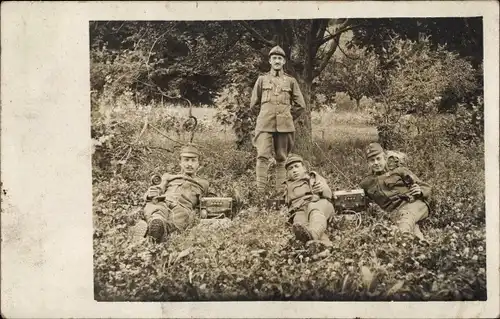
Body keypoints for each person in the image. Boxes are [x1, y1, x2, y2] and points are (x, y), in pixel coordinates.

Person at [250, 45, 306, 195]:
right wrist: (264, 115)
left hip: (285, 126)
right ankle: (260, 194)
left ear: (284, 62)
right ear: (269, 61)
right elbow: (254, 104)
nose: (277, 61)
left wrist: (287, 116)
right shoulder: (262, 80)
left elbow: (301, 105)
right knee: (262, 156)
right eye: (274, 58)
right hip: (264, 125)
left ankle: (281, 193)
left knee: (282, 158)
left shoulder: (291, 81)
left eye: (279, 58)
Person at [131, 144, 210, 242]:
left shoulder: (203, 183)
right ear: (180, 162)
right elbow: (158, 188)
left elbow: (207, 201)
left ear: (198, 163)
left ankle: (152, 233)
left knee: (180, 219)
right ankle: (156, 223)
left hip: (183, 207)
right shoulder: (168, 176)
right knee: (156, 207)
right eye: (186, 160)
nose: (189, 164)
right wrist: (151, 194)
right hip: (164, 200)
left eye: (193, 160)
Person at [359, 143, 432, 239]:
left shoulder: (399, 171)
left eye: (378, 158)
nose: (376, 163)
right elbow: (357, 198)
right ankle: (420, 245)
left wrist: (420, 190)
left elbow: (425, 186)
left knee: (405, 221)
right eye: (372, 160)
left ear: (385, 158)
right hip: (395, 214)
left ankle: (403, 238)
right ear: (368, 163)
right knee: (411, 229)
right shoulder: (366, 183)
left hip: (413, 204)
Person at [282, 154, 335, 244]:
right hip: (299, 210)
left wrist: (322, 188)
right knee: (300, 224)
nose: (294, 170)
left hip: (318, 204)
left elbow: (328, 194)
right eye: (290, 168)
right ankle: (323, 245)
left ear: (304, 168)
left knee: (314, 210)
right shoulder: (286, 186)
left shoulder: (312, 177)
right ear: (287, 173)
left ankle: (313, 236)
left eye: (296, 166)